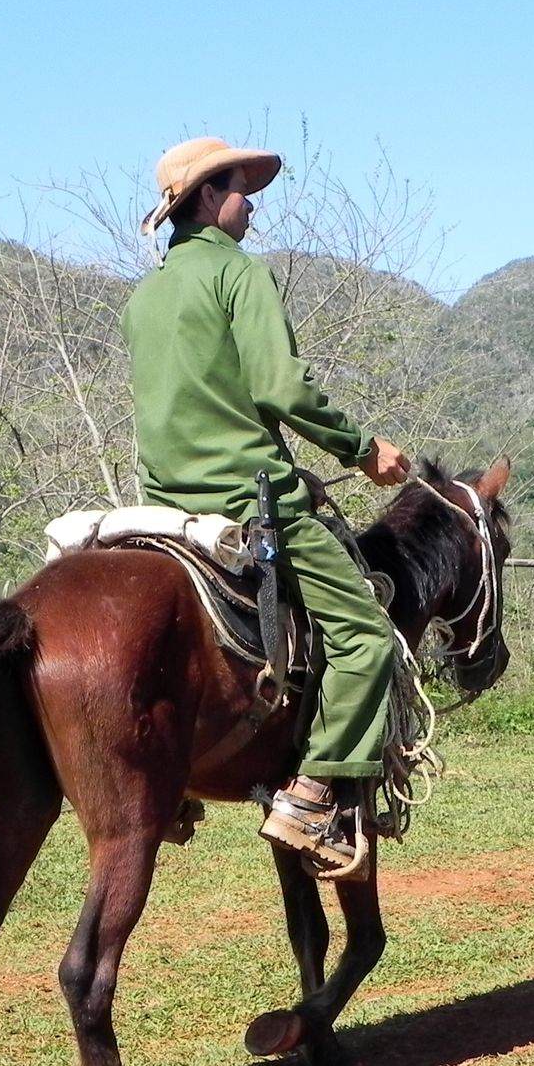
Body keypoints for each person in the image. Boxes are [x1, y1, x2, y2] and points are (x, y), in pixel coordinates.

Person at [122, 136, 412, 879]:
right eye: (242, 188)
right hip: (251, 505)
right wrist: (359, 451)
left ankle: (179, 785)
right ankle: (313, 793)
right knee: (365, 637)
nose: (252, 202)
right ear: (210, 196)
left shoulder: (146, 295)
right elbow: (281, 389)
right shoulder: (237, 273)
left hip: (164, 510)